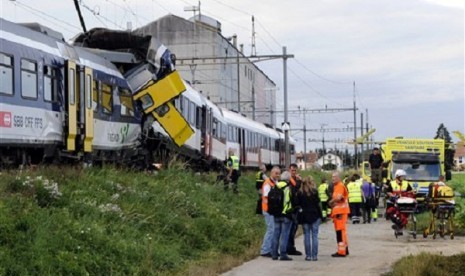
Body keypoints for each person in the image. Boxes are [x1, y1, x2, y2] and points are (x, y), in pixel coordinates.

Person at [294, 176, 323, 261]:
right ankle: (314, 256)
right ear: (311, 182)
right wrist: (321, 216)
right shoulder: (314, 192)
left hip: (304, 216)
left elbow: (296, 203)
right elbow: (318, 204)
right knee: (314, 236)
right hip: (314, 215)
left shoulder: (300, 192)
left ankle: (308, 255)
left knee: (306, 235)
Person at [271, 171, 293, 261]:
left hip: (276, 214)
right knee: (284, 235)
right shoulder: (287, 188)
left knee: (276, 234)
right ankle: (283, 254)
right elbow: (287, 201)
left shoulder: (275, 186)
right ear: (288, 179)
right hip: (285, 214)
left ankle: (274, 254)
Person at [328, 171, 350, 257]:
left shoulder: (340, 186)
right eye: (332, 177)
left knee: (340, 232)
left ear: (339, 178)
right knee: (342, 231)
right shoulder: (337, 186)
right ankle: (345, 249)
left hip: (340, 212)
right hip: (340, 211)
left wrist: (331, 202)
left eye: (335, 177)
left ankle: (341, 251)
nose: (333, 178)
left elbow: (339, 197)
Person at [259, 166, 280, 257]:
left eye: (279, 173)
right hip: (267, 209)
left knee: (273, 229)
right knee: (271, 229)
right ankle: (265, 250)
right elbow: (268, 196)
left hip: (272, 210)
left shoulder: (275, 182)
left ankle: (270, 249)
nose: (278, 175)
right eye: (276, 173)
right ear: (271, 173)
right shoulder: (268, 183)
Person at [385, 169, 413, 235]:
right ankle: (398, 225)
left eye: (403, 176)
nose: (403, 178)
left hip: (404, 202)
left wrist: (407, 195)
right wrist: (393, 195)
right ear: (397, 176)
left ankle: (400, 226)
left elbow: (411, 191)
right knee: (389, 213)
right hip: (394, 201)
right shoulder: (392, 183)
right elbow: (388, 192)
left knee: (404, 215)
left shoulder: (406, 183)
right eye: (402, 176)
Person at [287, 163, 303, 256]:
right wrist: (299, 182)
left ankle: (290, 247)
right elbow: (294, 191)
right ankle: (290, 248)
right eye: (292, 170)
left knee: (293, 228)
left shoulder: (293, 180)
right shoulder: (289, 180)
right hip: (290, 208)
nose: (293, 172)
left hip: (294, 207)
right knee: (291, 229)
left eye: (295, 170)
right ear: (289, 170)